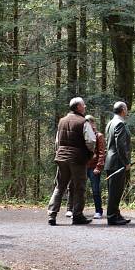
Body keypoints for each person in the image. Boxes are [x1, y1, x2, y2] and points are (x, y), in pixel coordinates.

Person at [47, 97, 96, 226]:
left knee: (60, 186)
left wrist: (60, 152)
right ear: (78, 107)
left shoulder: (62, 121)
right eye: (83, 105)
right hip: (77, 159)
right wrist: (90, 153)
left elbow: (57, 141)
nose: (85, 107)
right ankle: (77, 215)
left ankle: (52, 215)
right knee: (80, 188)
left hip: (61, 158)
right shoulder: (83, 122)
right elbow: (91, 141)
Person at [104, 102, 132, 225]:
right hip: (117, 161)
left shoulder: (110, 123)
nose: (127, 111)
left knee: (114, 190)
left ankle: (116, 214)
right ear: (122, 110)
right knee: (115, 191)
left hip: (111, 160)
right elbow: (120, 145)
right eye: (126, 109)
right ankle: (112, 217)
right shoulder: (120, 123)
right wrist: (126, 162)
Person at [85, 115, 106, 220]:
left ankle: (98, 211)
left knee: (95, 190)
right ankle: (77, 211)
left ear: (93, 123)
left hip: (94, 167)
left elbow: (102, 153)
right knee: (79, 189)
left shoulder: (99, 136)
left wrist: (98, 167)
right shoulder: (84, 134)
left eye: (90, 123)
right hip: (84, 166)